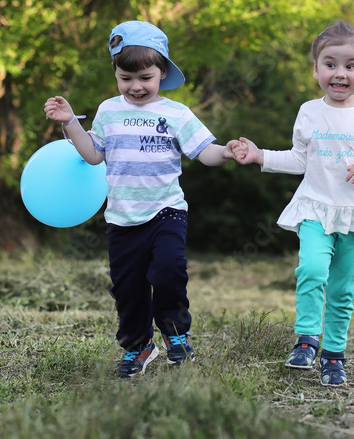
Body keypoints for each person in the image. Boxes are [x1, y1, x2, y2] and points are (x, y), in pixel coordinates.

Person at [44, 20, 237, 378]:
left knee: (167, 272)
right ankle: (138, 347)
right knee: (128, 289)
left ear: (162, 72)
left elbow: (205, 151)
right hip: (121, 218)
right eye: (125, 78)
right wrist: (71, 122)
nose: (135, 87)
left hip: (167, 211)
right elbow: (92, 155)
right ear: (116, 74)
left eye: (145, 78)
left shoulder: (177, 114)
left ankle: (176, 334)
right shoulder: (108, 110)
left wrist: (228, 151)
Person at [232, 20, 354, 386]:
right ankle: (307, 339)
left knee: (342, 291)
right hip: (315, 209)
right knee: (311, 270)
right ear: (316, 69)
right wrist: (261, 156)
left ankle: (334, 355)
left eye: (350, 66)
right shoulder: (309, 111)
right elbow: (300, 160)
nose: (340, 73)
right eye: (330, 64)